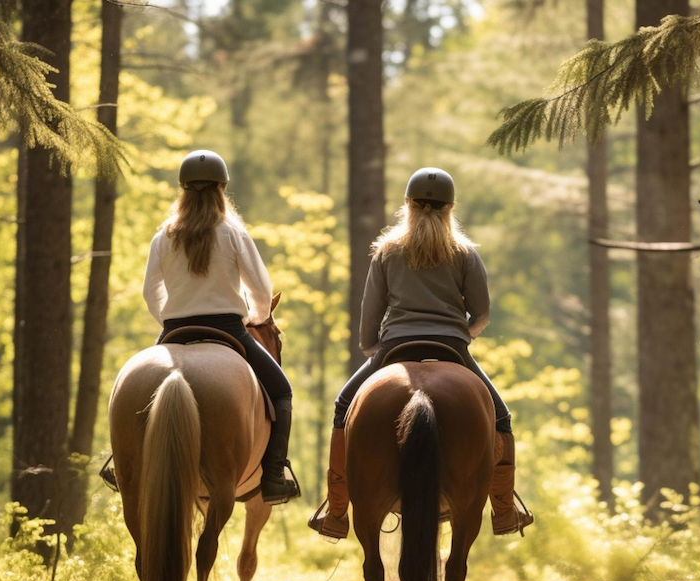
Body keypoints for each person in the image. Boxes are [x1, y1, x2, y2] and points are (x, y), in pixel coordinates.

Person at [308, 167, 534, 538]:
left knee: (342, 407)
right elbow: (482, 313)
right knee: (501, 418)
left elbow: (370, 314)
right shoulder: (464, 253)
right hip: (452, 348)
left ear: (408, 206)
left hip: (395, 346)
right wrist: (463, 337)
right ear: (450, 208)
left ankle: (335, 512)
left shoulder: (387, 252)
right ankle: (505, 510)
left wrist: (373, 350)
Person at [141, 149, 300, 505]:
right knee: (282, 392)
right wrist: (257, 318)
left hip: (174, 331)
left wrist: (168, 319)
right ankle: (273, 476)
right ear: (221, 190)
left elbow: (150, 292)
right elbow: (260, 288)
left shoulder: (162, 237)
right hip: (229, 328)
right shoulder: (232, 232)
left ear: (183, 190)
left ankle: (119, 465)